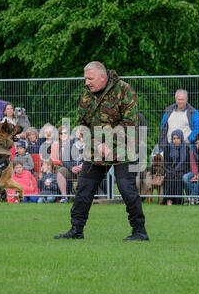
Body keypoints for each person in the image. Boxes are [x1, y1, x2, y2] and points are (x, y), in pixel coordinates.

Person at [54, 61, 149, 241]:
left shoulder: (124, 90)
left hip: (122, 148)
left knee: (126, 189)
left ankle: (139, 231)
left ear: (102, 77)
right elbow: (82, 121)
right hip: (95, 149)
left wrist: (108, 142)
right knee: (84, 189)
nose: (86, 82)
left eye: (90, 78)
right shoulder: (86, 94)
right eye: (85, 79)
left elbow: (130, 122)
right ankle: (76, 230)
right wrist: (90, 138)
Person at [56, 127, 85, 203]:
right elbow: (64, 160)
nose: (80, 134)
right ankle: (64, 197)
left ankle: (81, 197)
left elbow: (91, 158)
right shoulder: (70, 143)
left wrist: (82, 165)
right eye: (78, 132)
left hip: (85, 169)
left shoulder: (89, 143)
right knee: (60, 172)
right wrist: (72, 168)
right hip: (71, 170)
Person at [162, 129, 189, 205]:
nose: (176, 140)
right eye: (174, 138)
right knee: (169, 177)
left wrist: (177, 170)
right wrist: (171, 170)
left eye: (177, 138)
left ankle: (178, 201)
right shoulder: (167, 148)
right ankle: (168, 200)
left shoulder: (186, 148)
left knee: (178, 177)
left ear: (181, 138)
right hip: (170, 170)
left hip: (181, 170)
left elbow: (186, 163)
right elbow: (166, 163)